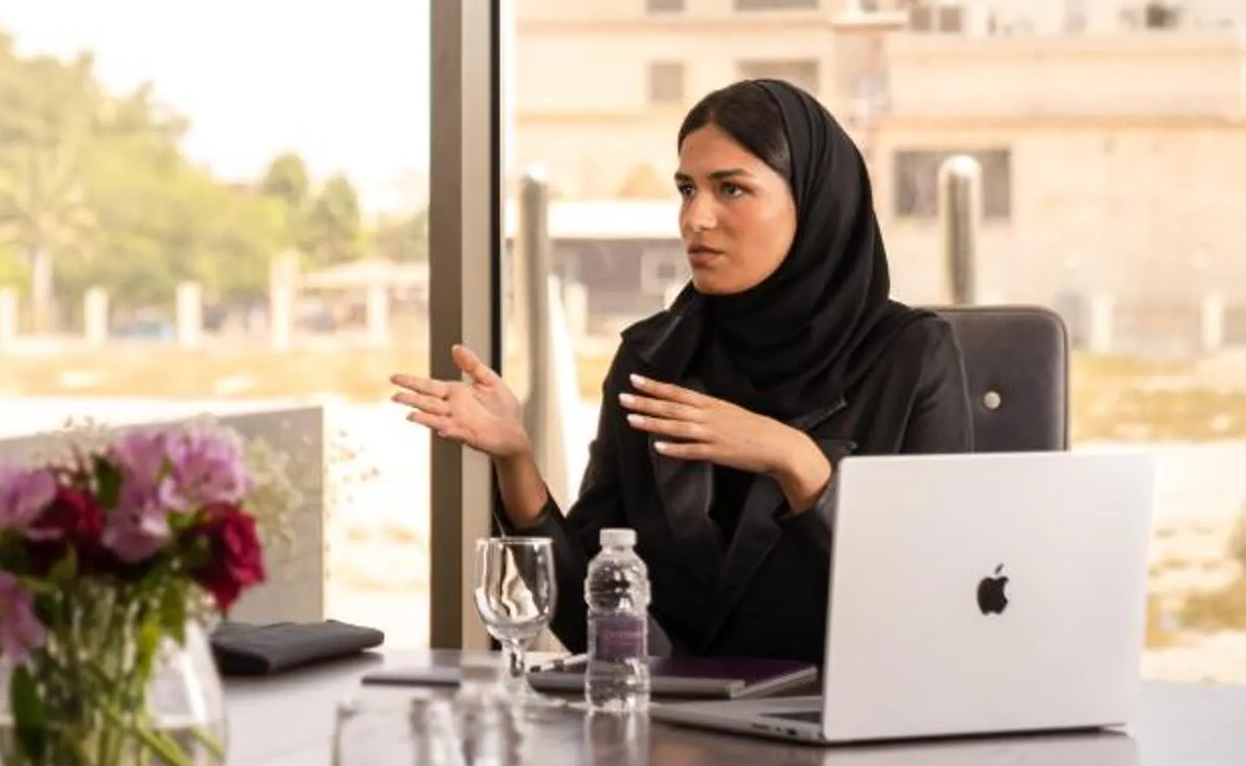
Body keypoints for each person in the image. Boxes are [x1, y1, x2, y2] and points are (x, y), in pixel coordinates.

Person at [390, 78, 972, 663]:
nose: (696, 218)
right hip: (675, 736)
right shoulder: (651, 361)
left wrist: (796, 461)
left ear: (814, 199)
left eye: (732, 189)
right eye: (687, 189)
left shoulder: (911, 358)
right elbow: (592, 616)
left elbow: (930, 601)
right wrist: (515, 457)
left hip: (846, 725)